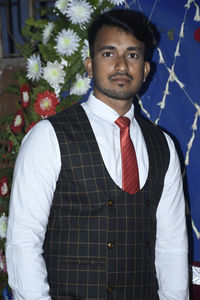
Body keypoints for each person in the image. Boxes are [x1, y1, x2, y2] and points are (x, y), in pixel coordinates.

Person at [6, 8, 189, 300]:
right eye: (108, 53)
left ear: (145, 69)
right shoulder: (49, 137)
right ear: (90, 66)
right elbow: (23, 241)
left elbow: (171, 245)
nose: (120, 65)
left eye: (132, 55)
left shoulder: (163, 145)